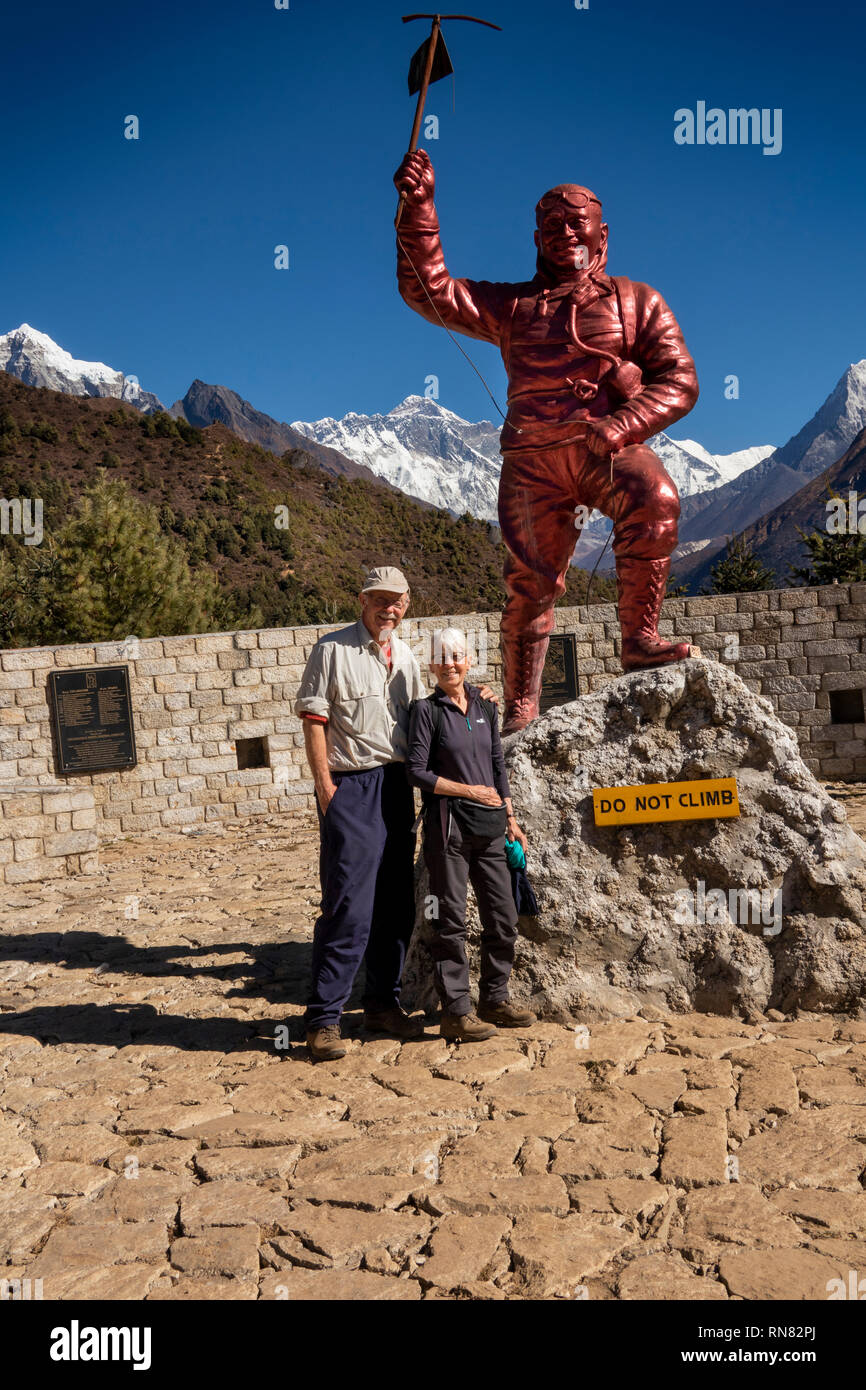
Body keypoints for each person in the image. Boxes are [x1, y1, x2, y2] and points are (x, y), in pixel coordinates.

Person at [393, 148, 702, 734]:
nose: (565, 233)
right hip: (533, 462)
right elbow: (428, 290)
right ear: (537, 237)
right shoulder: (511, 307)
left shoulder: (638, 301)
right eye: (552, 226)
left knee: (656, 499)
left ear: (601, 232)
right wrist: (419, 207)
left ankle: (639, 640)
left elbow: (680, 381)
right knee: (530, 581)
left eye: (575, 222)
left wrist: (623, 424)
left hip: (606, 449)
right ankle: (520, 706)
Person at [295, 569, 500, 1062]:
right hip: (352, 785)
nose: (390, 609)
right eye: (381, 600)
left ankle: (381, 1005)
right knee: (348, 904)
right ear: (361, 599)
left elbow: (431, 714)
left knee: (395, 904)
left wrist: (478, 696)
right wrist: (325, 786)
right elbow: (314, 719)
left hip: (395, 786)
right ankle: (323, 1019)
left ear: (407, 605)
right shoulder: (331, 650)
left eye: (398, 601)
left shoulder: (407, 657)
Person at [406, 627, 536, 1041]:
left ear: (469, 661)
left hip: (492, 827)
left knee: (503, 917)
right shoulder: (426, 712)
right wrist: (466, 790)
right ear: (431, 665)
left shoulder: (485, 705)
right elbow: (417, 772)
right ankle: (456, 1012)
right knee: (451, 921)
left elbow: (498, 762)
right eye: (441, 657)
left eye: (457, 656)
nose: (449, 664)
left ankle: (494, 999)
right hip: (450, 829)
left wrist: (511, 817)